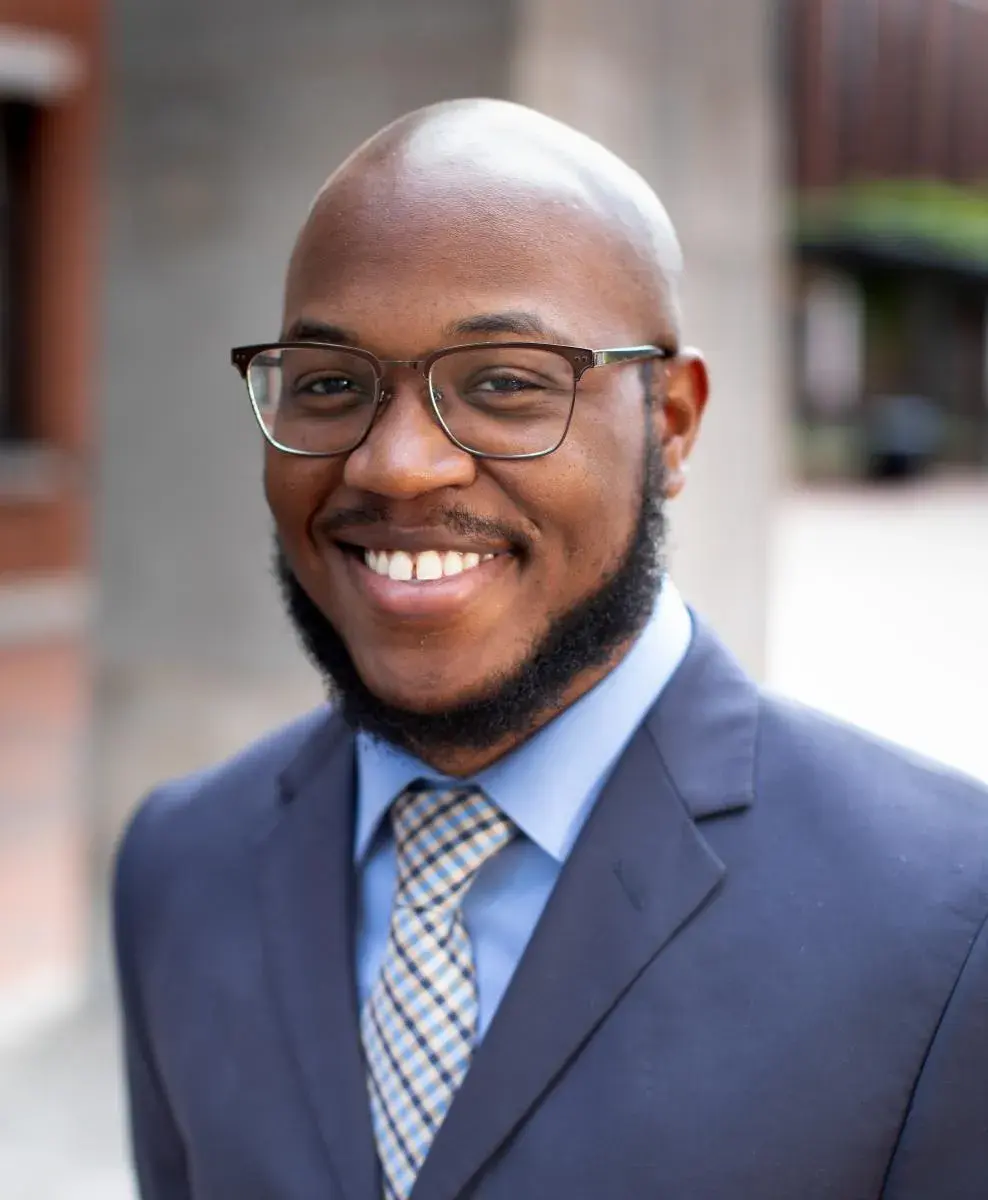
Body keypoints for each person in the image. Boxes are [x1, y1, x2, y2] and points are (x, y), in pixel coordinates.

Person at [113, 99, 988, 1200]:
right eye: (331, 384)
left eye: (504, 384)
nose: (394, 466)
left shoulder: (952, 918)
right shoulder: (179, 866)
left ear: (669, 423)